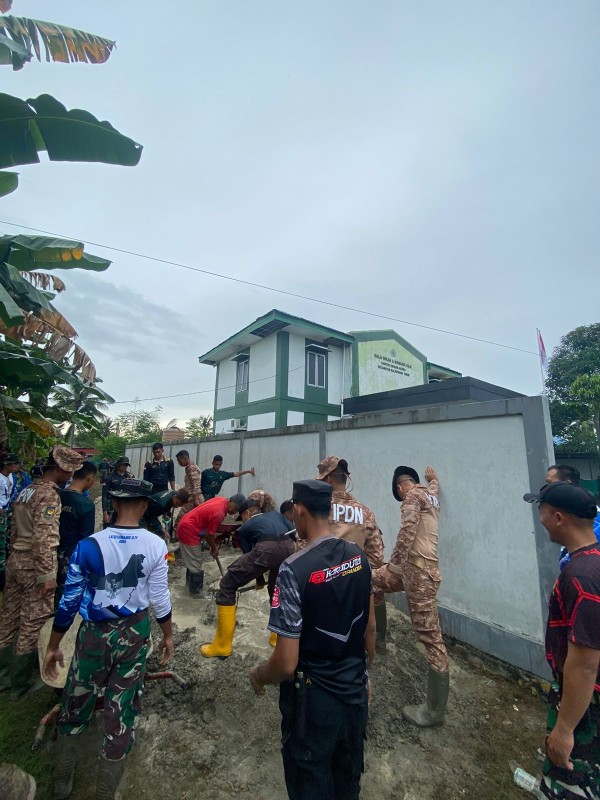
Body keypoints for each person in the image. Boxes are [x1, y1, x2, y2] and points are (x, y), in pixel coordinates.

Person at [43, 478, 173, 800]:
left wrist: (54, 644)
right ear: (145, 505)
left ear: (114, 504)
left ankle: (61, 786)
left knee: (75, 701)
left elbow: (69, 602)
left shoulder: (87, 545)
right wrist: (168, 636)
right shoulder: (156, 545)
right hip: (135, 633)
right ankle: (105, 793)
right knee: (122, 709)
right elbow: (160, 598)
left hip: (93, 635)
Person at [249, 479, 375, 800]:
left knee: (311, 782)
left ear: (299, 509)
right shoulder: (359, 558)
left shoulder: (294, 570)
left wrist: (259, 675)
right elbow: (370, 631)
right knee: (347, 780)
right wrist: (363, 676)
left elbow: (286, 663)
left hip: (313, 704)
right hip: (354, 695)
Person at [522, 482, 600, 799]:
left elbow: (585, 663)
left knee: (571, 780)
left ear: (558, 518)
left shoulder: (581, 577)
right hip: (581, 697)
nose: (539, 519)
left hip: (585, 705)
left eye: (541, 511)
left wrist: (565, 729)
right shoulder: (591, 560)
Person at [0, 445, 83, 699]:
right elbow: (43, 538)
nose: (70, 476)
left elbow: (13, 530)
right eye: (69, 472)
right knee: (32, 622)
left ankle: (3, 675)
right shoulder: (49, 496)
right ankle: (23, 682)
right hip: (34, 566)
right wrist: (47, 575)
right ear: (59, 469)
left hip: (15, 561)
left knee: (8, 619)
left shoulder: (26, 491)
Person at [371, 465, 449, 727]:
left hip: (418, 573)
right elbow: (434, 489)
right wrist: (433, 479)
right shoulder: (429, 494)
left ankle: (434, 712)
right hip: (417, 571)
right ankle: (378, 642)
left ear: (399, 488)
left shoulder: (412, 496)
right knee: (372, 581)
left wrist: (392, 565)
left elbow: (407, 530)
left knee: (431, 637)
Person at [200, 497, 295, 658]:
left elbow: (249, 555)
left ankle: (222, 646)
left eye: (242, 517)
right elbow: (294, 532)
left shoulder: (245, 528)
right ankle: (277, 638)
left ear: (247, 513)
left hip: (266, 549)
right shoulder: (276, 515)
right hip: (289, 547)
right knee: (277, 589)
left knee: (228, 584)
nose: (242, 521)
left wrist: (259, 579)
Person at [314, 456, 387, 653]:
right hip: (355, 585)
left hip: (322, 586)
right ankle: (377, 644)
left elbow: (303, 549)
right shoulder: (366, 513)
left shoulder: (319, 509)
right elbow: (376, 557)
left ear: (328, 479)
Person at [176, 493, 246, 596]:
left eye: (237, 510)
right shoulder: (219, 513)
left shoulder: (221, 500)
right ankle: (196, 596)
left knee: (193, 562)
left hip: (187, 523)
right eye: (235, 508)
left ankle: (188, 588)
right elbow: (209, 535)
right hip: (188, 530)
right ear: (231, 501)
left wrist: (213, 545)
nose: (234, 512)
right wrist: (214, 548)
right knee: (196, 563)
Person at [56, 461, 98, 607]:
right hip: (69, 558)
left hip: (49, 553)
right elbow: (85, 539)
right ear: (89, 478)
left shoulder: (57, 496)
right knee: (65, 599)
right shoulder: (86, 505)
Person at [544, 464, 600, 570]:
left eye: (550, 484)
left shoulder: (595, 523)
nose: (546, 489)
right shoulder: (569, 517)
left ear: (566, 485)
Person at [0, 453, 20, 591]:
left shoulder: (11, 477)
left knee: (6, 541)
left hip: (6, 512)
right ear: (6, 464)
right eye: (15, 464)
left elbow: (11, 493)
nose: (17, 466)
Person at [102, 457, 133, 527]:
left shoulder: (130, 477)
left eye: (126, 465)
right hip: (112, 507)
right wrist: (105, 512)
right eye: (123, 464)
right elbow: (104, 495)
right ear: (118, 465)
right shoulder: (109, 477)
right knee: (108, 527)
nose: (125, 466)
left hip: (125, 507)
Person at [175, 450, 203, 518]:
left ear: (185, 458)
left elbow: (196, 484)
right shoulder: (190, 467)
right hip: (192, 497)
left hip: (193, 499)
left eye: (179, 461)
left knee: (180, 518)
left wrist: (196, 500)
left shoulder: (191, 468)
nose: (179, 463)